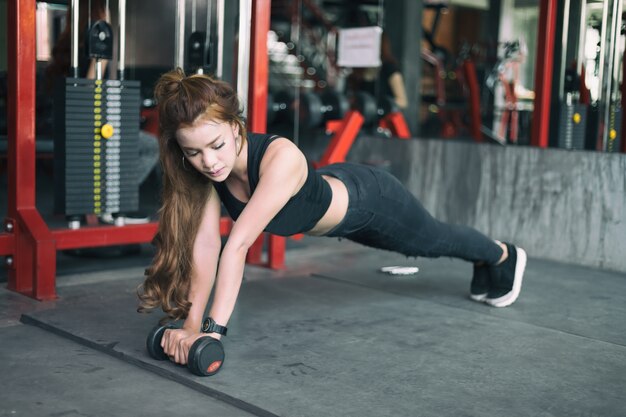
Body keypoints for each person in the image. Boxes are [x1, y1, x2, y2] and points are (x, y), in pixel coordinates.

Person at [138, 68, 527, 365]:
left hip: (372, 202)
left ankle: (502, 255)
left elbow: (236, 244)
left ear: (235, 125)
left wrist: (213, 332)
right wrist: (188, 329)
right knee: (430, 241)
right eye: (193, 152)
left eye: (216, 145)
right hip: (339, 207)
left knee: (432, 241)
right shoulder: (209, 174)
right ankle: (491, 257)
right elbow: (206, 246)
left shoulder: (280, 157)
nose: (208, 161)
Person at [43, 0, 159, 224]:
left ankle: (108, 201)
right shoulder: (96, 50)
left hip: (67, 123)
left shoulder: (69, 44)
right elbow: (87, 94)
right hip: (84, 125)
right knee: (151, 146)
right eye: (106, 11)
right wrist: (101, 61)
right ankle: (113, 201)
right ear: (99, 13)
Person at [346, 32, 408, 110]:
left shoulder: (389, 68)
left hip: (382, 118)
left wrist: (379, 106)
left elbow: (402, 102)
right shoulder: (359, 69)